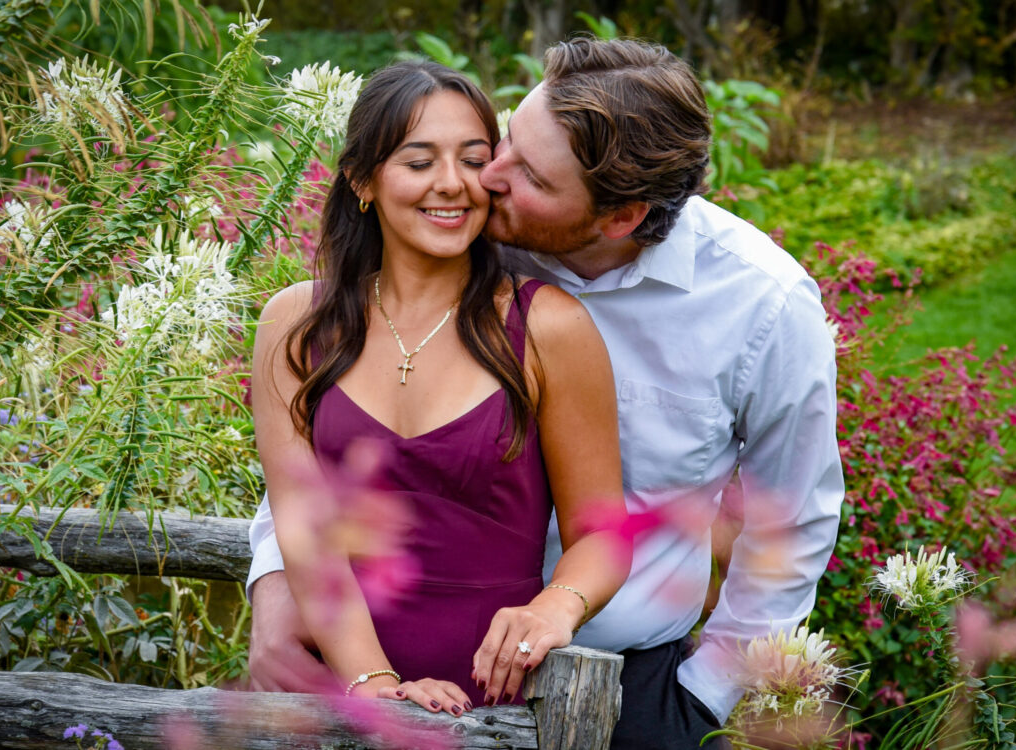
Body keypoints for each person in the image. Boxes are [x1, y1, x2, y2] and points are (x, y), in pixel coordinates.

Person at [249, 39, 843, 749]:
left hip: (629, 683)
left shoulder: (761, 305)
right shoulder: (472, 234)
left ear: (617, 216)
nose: (483, 178)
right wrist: (279, 583)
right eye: (503, 141)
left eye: (518, 169)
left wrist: (703, 699)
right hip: (367, 657)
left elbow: (794, 516)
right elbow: (333, 442)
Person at [250, 59, 631, 717]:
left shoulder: (549, 328)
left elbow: (602, 534)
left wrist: (553, 608)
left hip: (495, 706)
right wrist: (375, 687)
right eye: (419, 161)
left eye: (473, 159)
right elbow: (305, 535)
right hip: (331, 695)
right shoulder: (294, 326)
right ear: (362, 179)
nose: (451, 185)